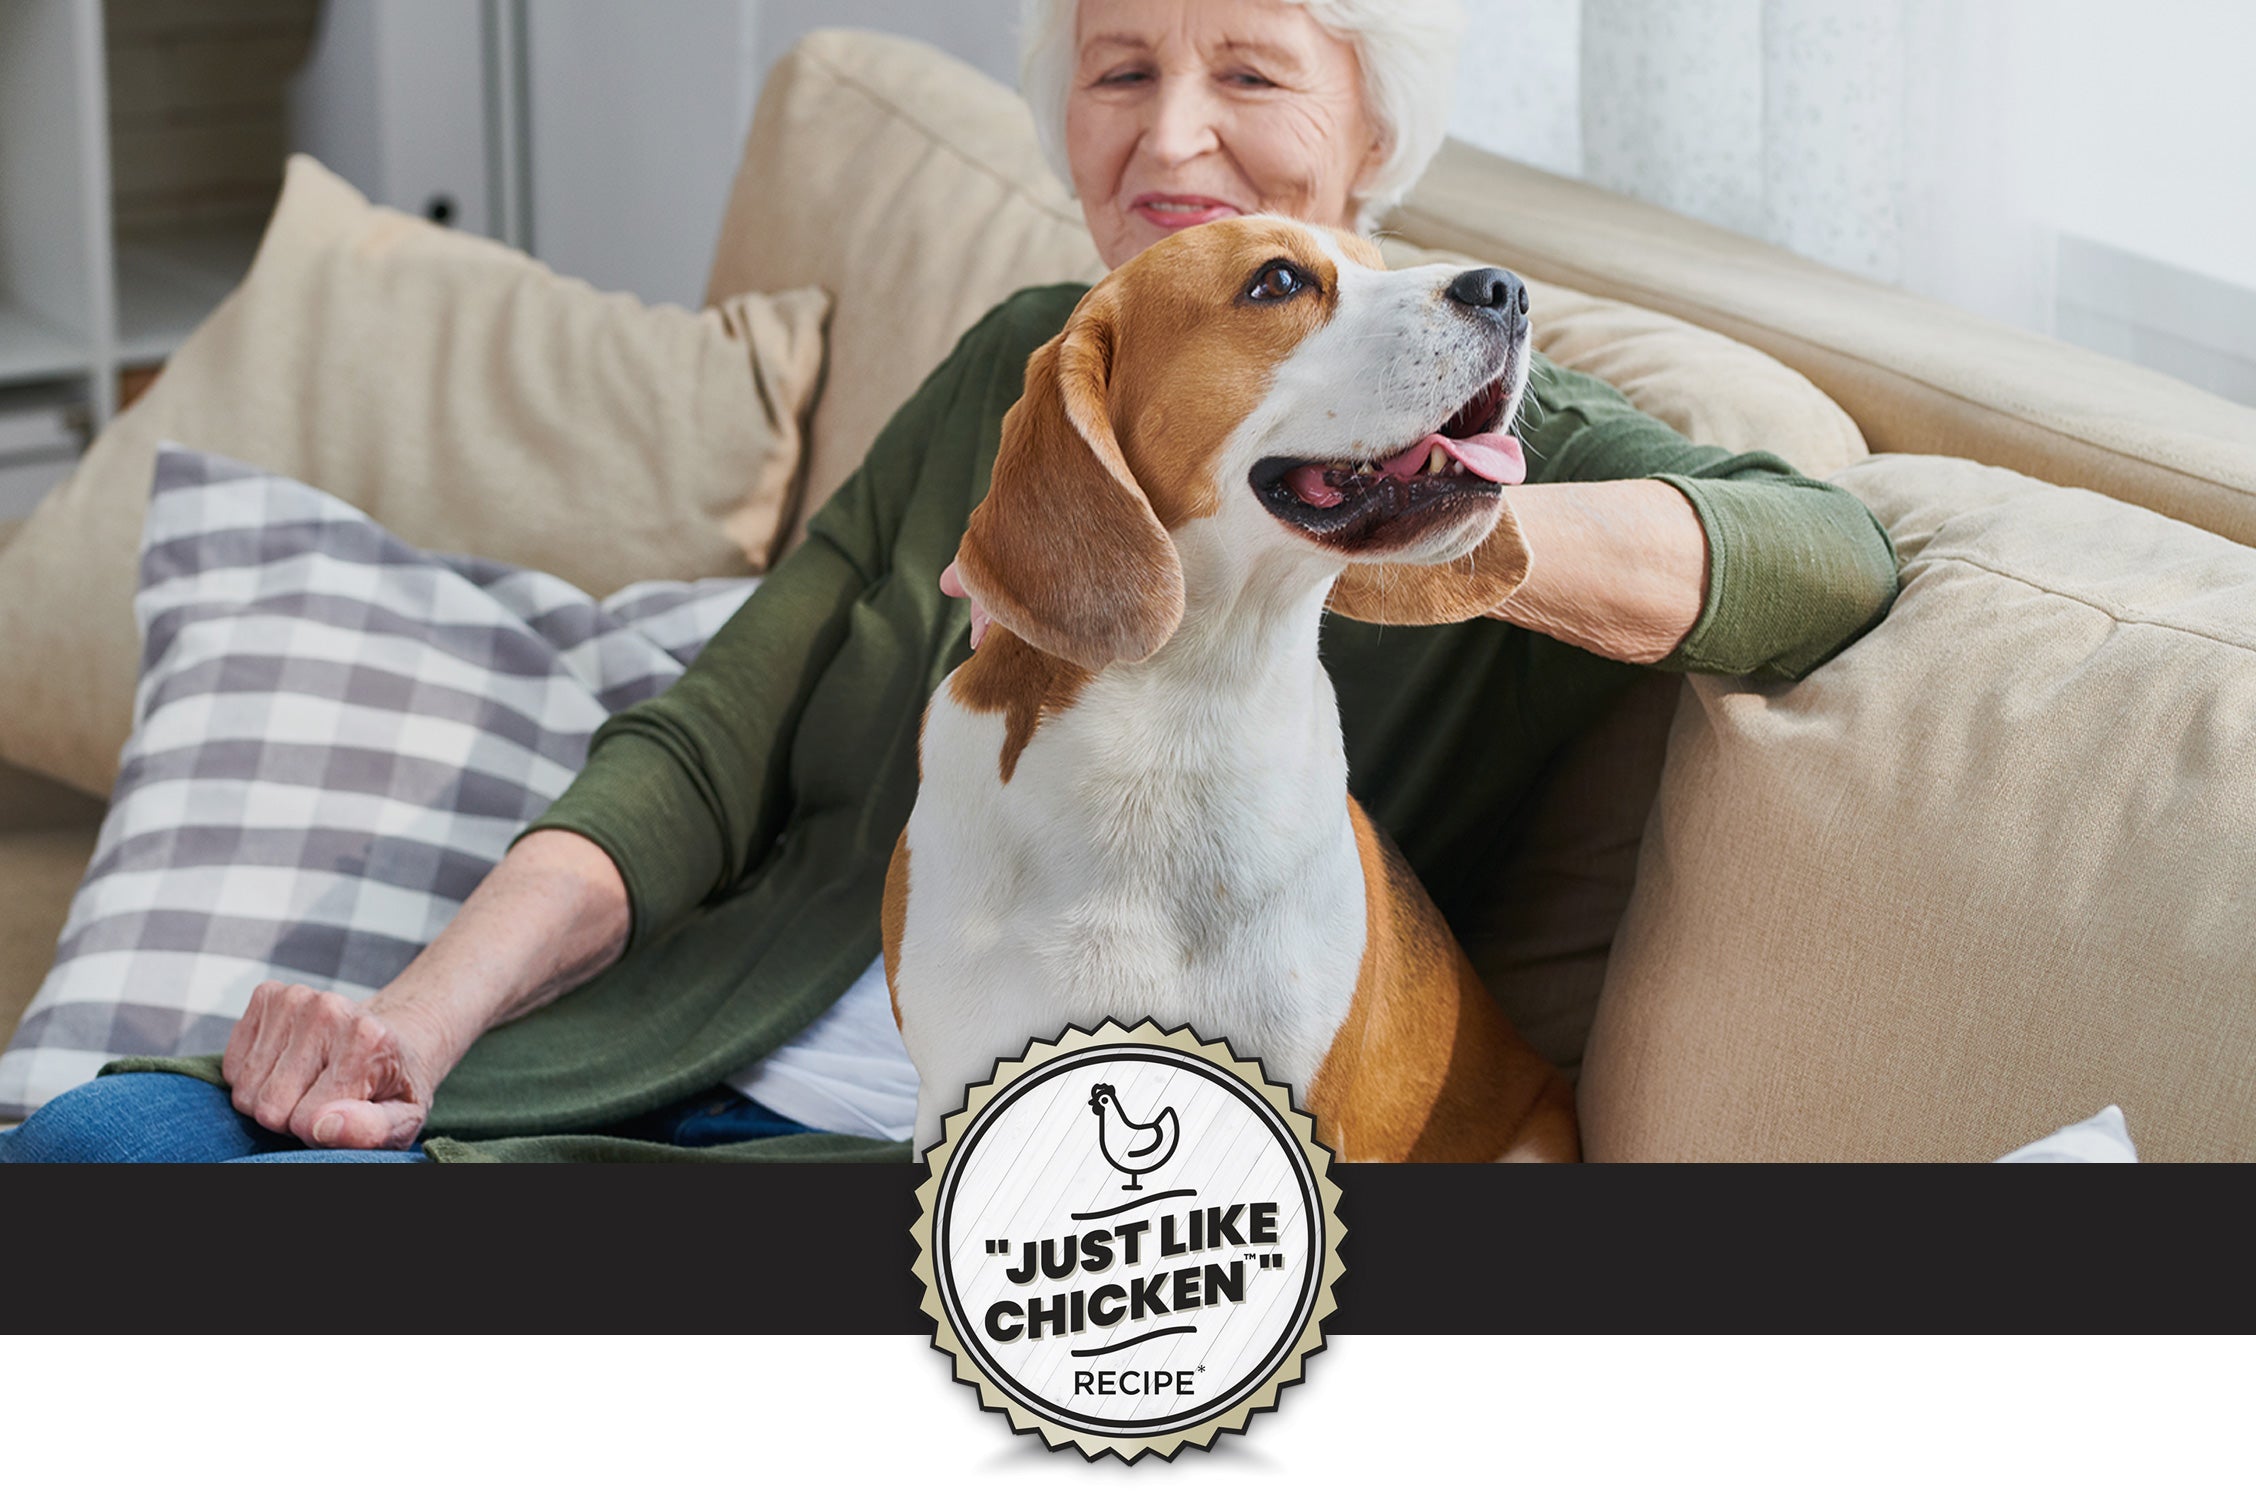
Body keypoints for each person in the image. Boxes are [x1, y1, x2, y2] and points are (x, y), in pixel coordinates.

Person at [0, 0, 1896, 1164]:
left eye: (1249, 69)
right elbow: (704, 750)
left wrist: (1441, 525)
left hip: (1017, 1197)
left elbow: (1828, 557)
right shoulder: (1031, 362)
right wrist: (416, 1027)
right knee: (105, 1152)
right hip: (679, 1054)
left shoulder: (1472, 401)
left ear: (1372, 133)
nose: (1169, 131)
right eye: (1118, 69)